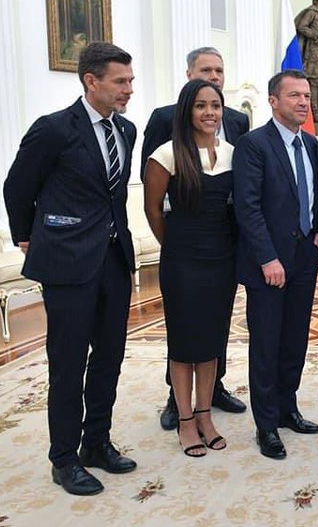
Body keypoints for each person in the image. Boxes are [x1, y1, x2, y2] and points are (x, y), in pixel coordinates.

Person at [4, 42, 138, 495]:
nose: (128, 89)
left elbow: (112, 195)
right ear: (91, 81)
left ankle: (96, 443)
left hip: (114, 261)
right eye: (120, 81)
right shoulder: (54, 129)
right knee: (68, 363)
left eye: (131, 80)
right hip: (67, 264)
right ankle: (63, 459)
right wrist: (27, 236)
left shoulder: (126, 129)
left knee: (109, 357)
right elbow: (17, 186)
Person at [141, 46, 249, 430]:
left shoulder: (236, 142)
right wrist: (175, 243)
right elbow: (153, 207)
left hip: (222, 254)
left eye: (215, 105)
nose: (210, 112)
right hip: (183, 257)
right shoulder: (166, 145)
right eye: (201, 105)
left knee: (215, 332)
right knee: (185, 337)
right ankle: (182, 410)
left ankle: (207, 405)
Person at [233, 70, 318, 460]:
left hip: (304, 257)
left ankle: (288, 408)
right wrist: (267, 257)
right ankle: (266, 425)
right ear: (273, 101)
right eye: (294, 96)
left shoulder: (313, 144)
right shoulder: (254, 145)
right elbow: (248, 207)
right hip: (268, 263)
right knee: (267, 344)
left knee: (295, 340)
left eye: (306, 95)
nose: (303, 102)